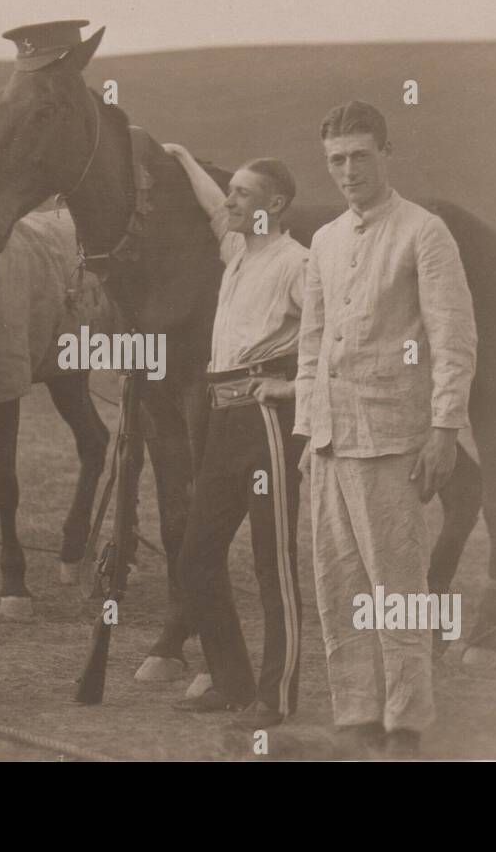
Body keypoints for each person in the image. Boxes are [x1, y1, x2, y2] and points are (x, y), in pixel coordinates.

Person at [295, 100, 476, 756]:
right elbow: (310, 345)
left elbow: (454, 339)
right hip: (330, 441)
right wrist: (306, 434)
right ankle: (357, 717)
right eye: (337, 160)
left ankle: (405, 723)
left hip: (394, 438)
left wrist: (445, 428)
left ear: (386, 154)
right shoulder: (323, 240)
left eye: (360, 156)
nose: (348, 171)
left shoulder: (423, 233)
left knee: (398, 589)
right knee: (337, 586)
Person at [161, 143, 307, 730]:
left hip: (267, 422)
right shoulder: (239, 251)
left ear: (276, 204)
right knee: (196, 558)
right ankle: (232, 680)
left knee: (273, 564)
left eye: (243, 193)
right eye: (233, 191)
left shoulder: (298, 264)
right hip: (222, 420)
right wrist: (182, 158)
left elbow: (335, 337)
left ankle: (278, 696)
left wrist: (294, 389)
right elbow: (215, 210)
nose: (231, 201)